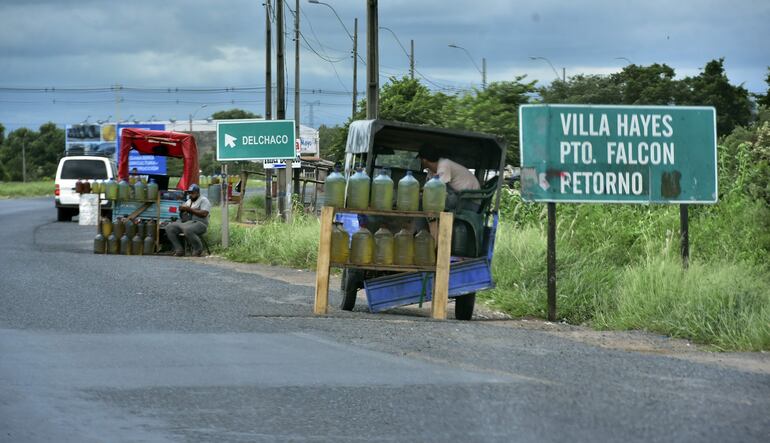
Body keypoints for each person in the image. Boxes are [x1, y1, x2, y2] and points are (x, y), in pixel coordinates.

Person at [417, 146, 480, 210]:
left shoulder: (444, 164)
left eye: (420, 159)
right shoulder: (431, 171)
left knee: (433, 199)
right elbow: (426, 188)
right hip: (459, 197)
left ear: (424, 160)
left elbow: (434, 189)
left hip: (470, 201)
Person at [165, 184, 211, 256]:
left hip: (200, 223)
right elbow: (184, 213)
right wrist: (182, 210)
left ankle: (198, 249)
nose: (190, 194)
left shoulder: (204, 200)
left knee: (187, 229)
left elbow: (204, 213)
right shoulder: (188, 201)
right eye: (189, 193)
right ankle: (179, 249)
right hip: (187, 222)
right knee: (169, 227)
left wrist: (189, 209)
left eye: (192, 193)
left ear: (197, 193)